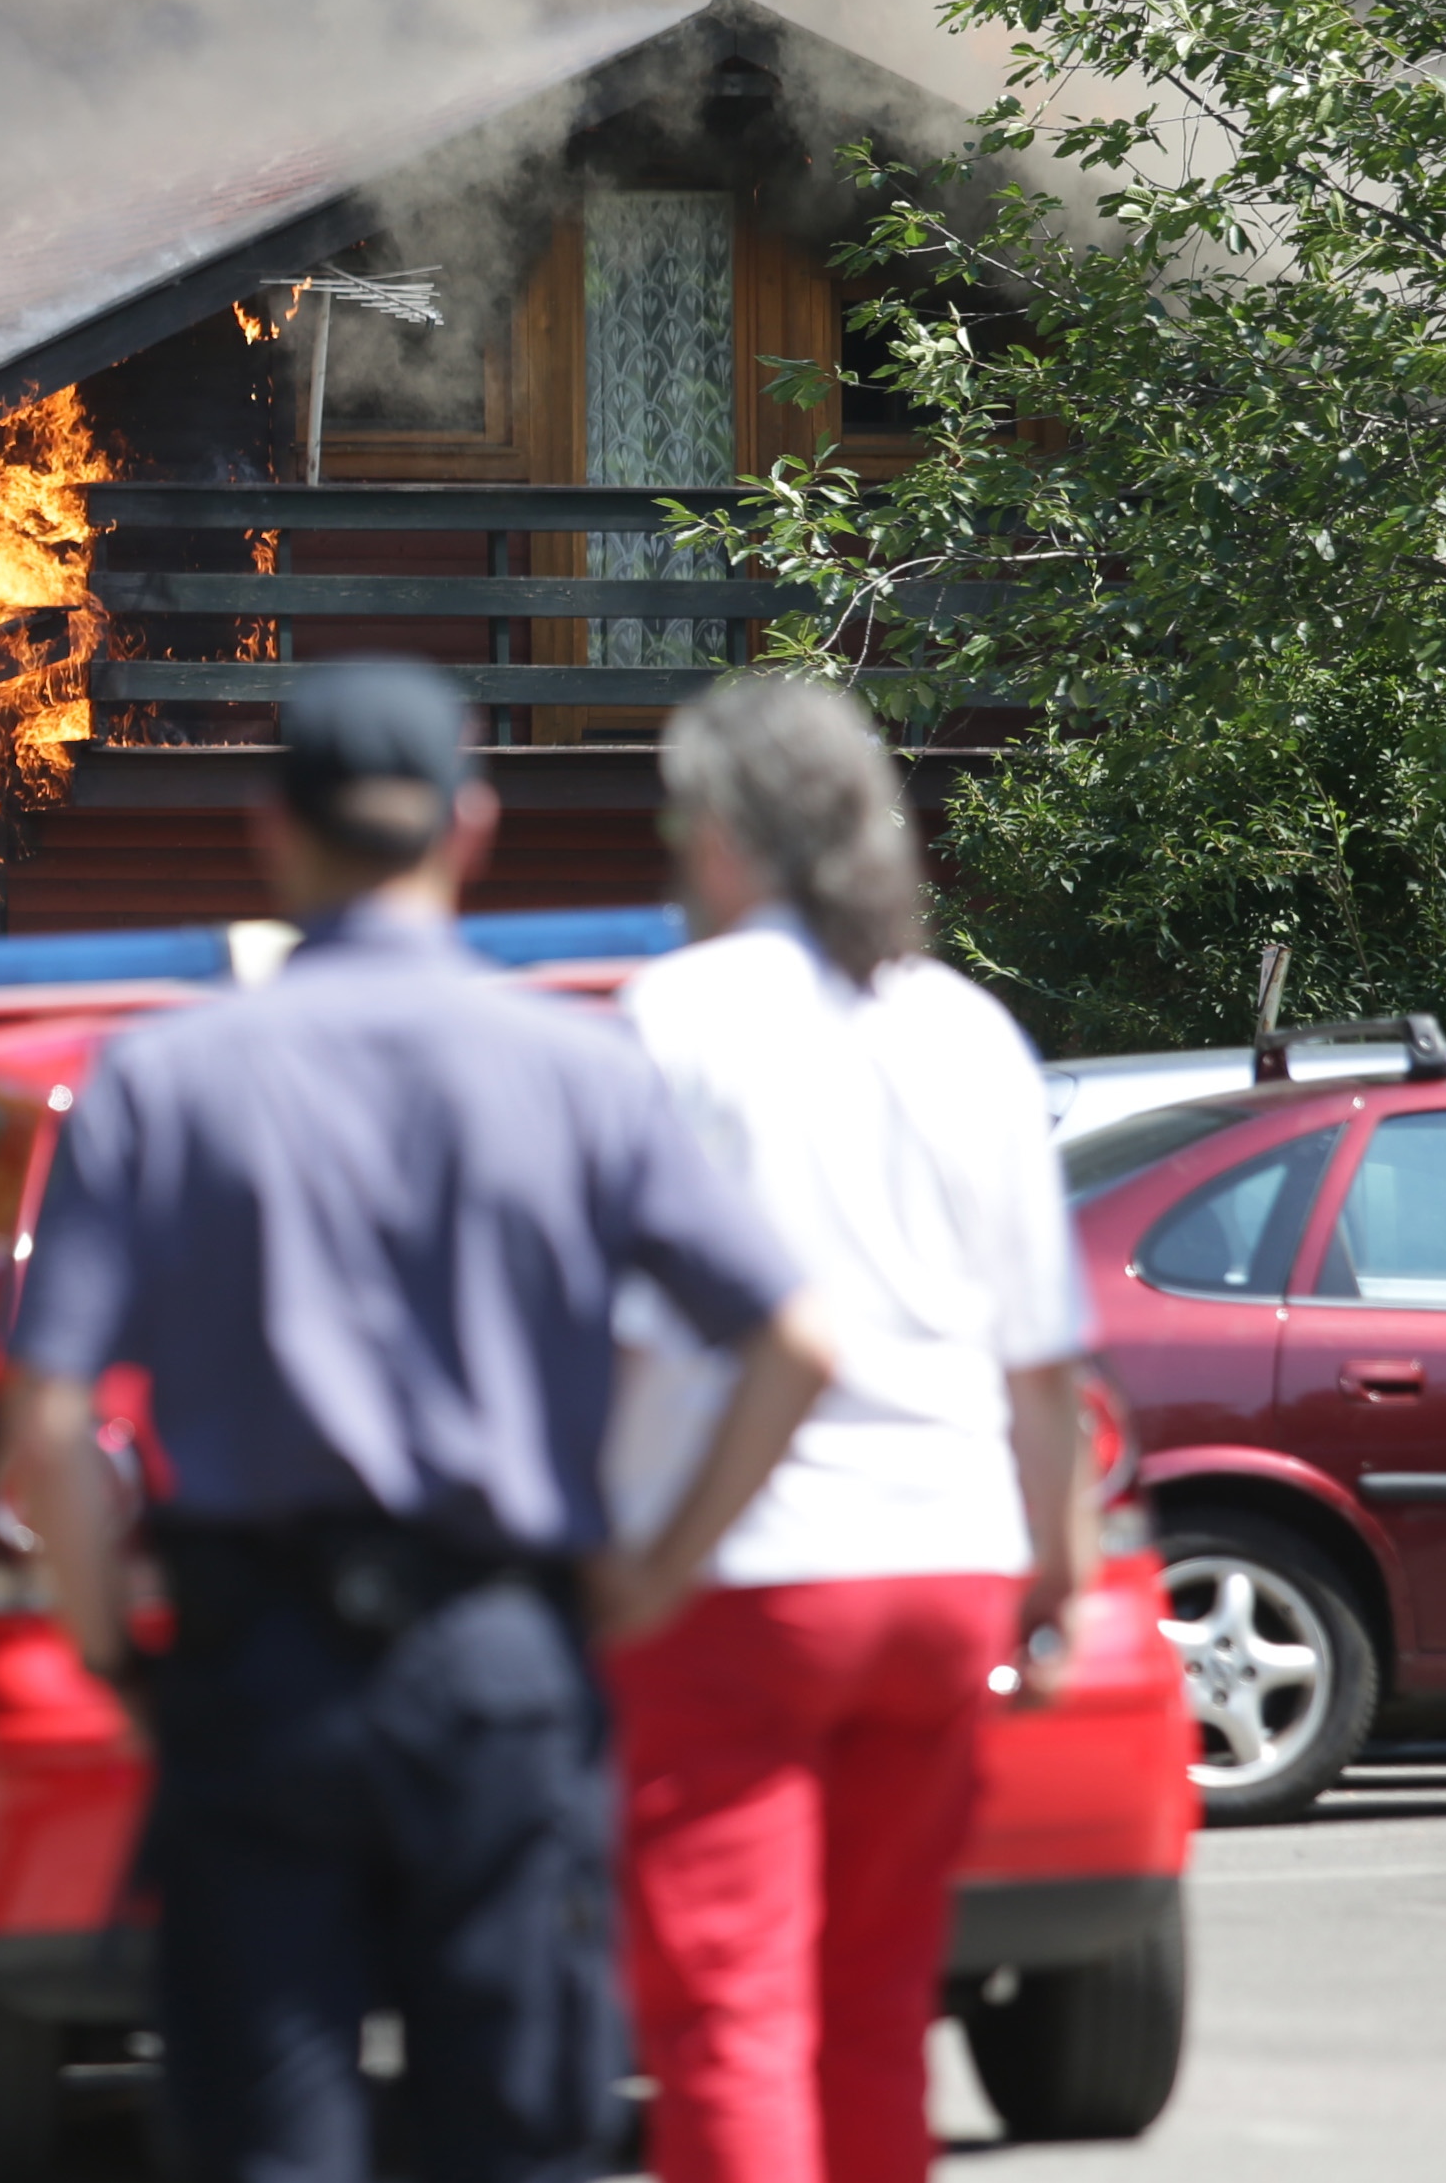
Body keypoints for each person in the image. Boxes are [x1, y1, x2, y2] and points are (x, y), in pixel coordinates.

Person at [3, 657, 846, 2183]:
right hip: (501, 1663)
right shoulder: (583, 1071)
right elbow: (794, 1334)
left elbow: (46, 1419)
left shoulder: (163, 1080)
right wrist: (657, 1569)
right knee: (517, 2134)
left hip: (257, 1668)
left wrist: (110, 1639)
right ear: (470, 826)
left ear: (276, 829)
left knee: (271, 2131)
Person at [594, 676, 1093, 2183]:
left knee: (726, 2012)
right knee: (875, 2003)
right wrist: (1053, 1566)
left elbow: (610, 1334)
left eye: (680, 823)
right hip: (946, 1562)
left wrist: (621, 1559)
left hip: (743, 1569)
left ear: (732, 836)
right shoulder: (966, 1029)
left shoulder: (669, 1023)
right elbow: (1042, 1352)